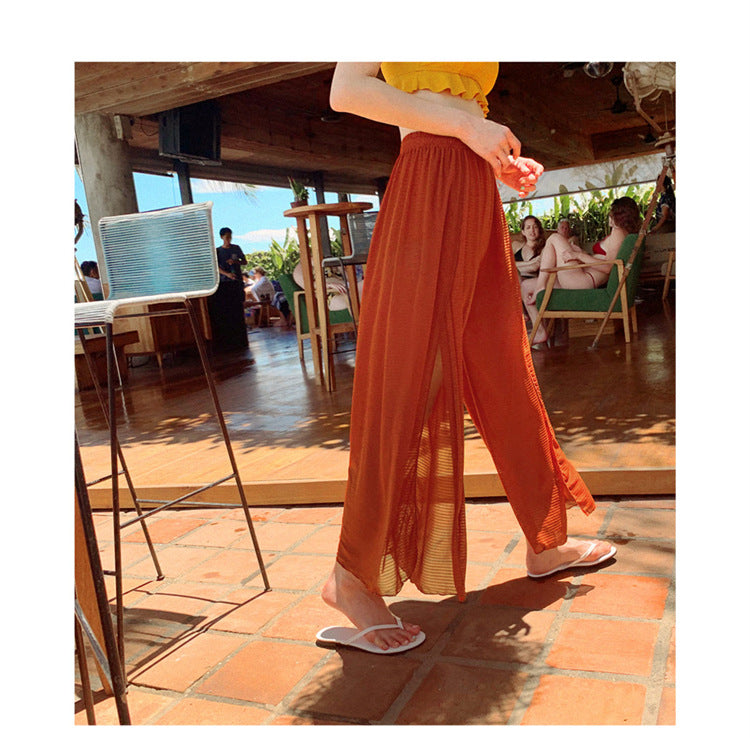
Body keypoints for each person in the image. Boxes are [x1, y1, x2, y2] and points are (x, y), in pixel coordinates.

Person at [317, 62, 616, 655]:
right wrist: (465, 128)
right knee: (406, 379)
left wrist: (494, 156)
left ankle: (544, 538)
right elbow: (347, 90)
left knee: (507, 369)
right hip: (424, 181)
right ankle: (350, 575)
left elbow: (466, 115)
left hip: (474, 187)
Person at [524, 197, 642, 345]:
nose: (609, 217)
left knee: (554, 238)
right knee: (526, 286)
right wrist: (579, 253)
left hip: (583, 279)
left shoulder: (618, 233)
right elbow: (605, 260)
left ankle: (541, 286)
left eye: (612, 213)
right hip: (581, 274)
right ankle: (540, 331)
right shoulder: (623, 234)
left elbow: (608, 267)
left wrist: (579, 255)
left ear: (619, 215)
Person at [207, 227, 248, 350]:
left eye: (230, 236)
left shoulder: (236, 248)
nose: (228, 239)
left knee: (239, 305)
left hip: (237, 281)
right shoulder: (218, 251)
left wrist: (236, 262)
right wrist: (227, 274)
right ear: (222, 237)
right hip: (224, 283)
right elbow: (215, 267)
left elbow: (244, 261)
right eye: (226, 237)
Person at [514, 215, 546, 281]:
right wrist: (530, 262)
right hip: (514, 280)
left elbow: (534, 267)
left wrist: (514, 266)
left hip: (533, 282)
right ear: (523, 232)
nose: (532, 230)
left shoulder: (544, 248)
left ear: (539, 230)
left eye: (535, 227)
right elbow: (505, 264)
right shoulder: (515, 245)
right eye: (528, 227)